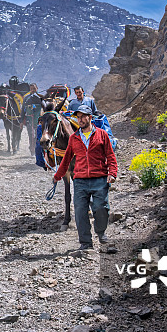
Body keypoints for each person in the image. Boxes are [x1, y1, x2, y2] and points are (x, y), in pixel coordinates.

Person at [53, 105, 117, 250]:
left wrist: (112, 173)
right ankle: (85, 243)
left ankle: (101, 233)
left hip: (100, 178)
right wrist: (58, 176)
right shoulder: (74, 138)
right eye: (78, 117)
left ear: (90, 117)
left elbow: (111, 157)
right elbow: (67, 159)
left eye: (83, 116)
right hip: (80, 180)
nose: (80, 119)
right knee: (80, 211)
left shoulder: (102, 135)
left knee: (101, 208)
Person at [22, 84, 42, 156]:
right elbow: (23, 110)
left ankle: (37, 150)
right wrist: (21, 121)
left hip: (39, 121)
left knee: (38, 135)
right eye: (31, 89)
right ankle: (32, 150)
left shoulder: (40, 98)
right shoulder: (26, 98)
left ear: (37, 88)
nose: (33, 90)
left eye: (34, 88)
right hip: (29, 120)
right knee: (31, 135)